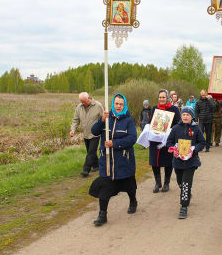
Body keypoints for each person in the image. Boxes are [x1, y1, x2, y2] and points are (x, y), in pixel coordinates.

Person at [89, 93, 138, 226]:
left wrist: (114, 144)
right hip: (107, 161)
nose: (118, 106)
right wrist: (101, 121)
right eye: (116, 103)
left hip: (123, 160)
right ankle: (102, 214)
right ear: (112, 104)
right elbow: (94, 131)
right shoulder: (106, 117)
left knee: (129, 186)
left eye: (121, 104)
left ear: (124, 105)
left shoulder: (128, 120)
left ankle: (133, 201)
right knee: (105, 187)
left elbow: (132, 138)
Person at [166, 106, 205, 219]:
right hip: (178, 161)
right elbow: (169, 142)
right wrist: (173, 149)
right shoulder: (175, 128)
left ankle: (184, 207)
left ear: (191, 116)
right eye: (183, 114)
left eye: (188, 115)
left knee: (186, 183)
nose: (185, 116)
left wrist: (194, 149)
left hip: (191, 162)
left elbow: (202, 143)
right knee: (180, 182)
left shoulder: (196, 129)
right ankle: (187, 194)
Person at [149, 89, 181, 193]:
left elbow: (178, 124)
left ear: (167, 98)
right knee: (155, 162)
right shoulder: (154, 108)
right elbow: (150, 122)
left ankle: (166, 183)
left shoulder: (174, 109)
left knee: (168, 162)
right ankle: (157, 183)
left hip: (168, 140)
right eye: (160, 97)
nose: (162, 99)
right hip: (155, 140)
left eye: (163, 97)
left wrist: (170, 131)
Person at [70, 92, 103, 177]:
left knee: (91, 152)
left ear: (88, 98)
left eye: (84, 101)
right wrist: (73, 130)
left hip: (95, 134)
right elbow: (75, 120)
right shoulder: (79, 107)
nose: (82, 103)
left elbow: (104, 118)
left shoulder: (98, 106)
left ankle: (86, 170)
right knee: (90, 151)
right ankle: (96, 165)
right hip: (86, 134)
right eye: (81, 101)